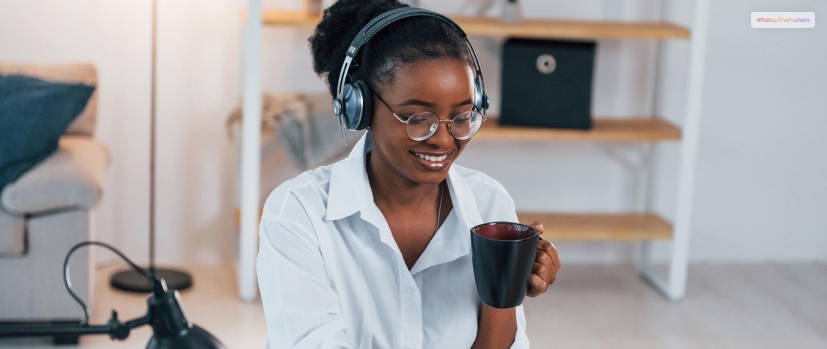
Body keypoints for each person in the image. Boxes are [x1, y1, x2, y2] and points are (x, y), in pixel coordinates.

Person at [257, 1, 560, 348]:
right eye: (417, 118)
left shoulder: (488, 202)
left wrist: (506, 288)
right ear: (361, 109)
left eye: (461, 117)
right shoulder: (299, 213)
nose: (444, 139)